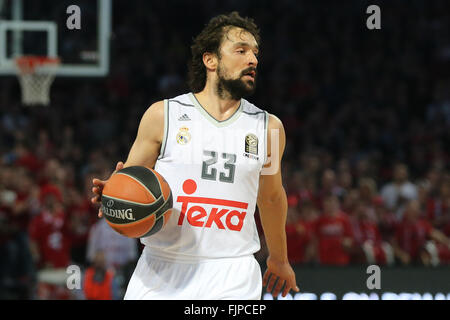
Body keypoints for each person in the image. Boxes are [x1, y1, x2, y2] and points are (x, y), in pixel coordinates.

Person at [91, 11, 299, 300]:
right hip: (161, 269)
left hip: (232, 273)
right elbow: (129, 184)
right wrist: (113, 195)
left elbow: (271, 197)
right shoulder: (163, 115)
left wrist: (279, 258)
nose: (253, 60)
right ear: (210, 59)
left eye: (255, 52)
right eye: (241, 50)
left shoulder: (269, 127)